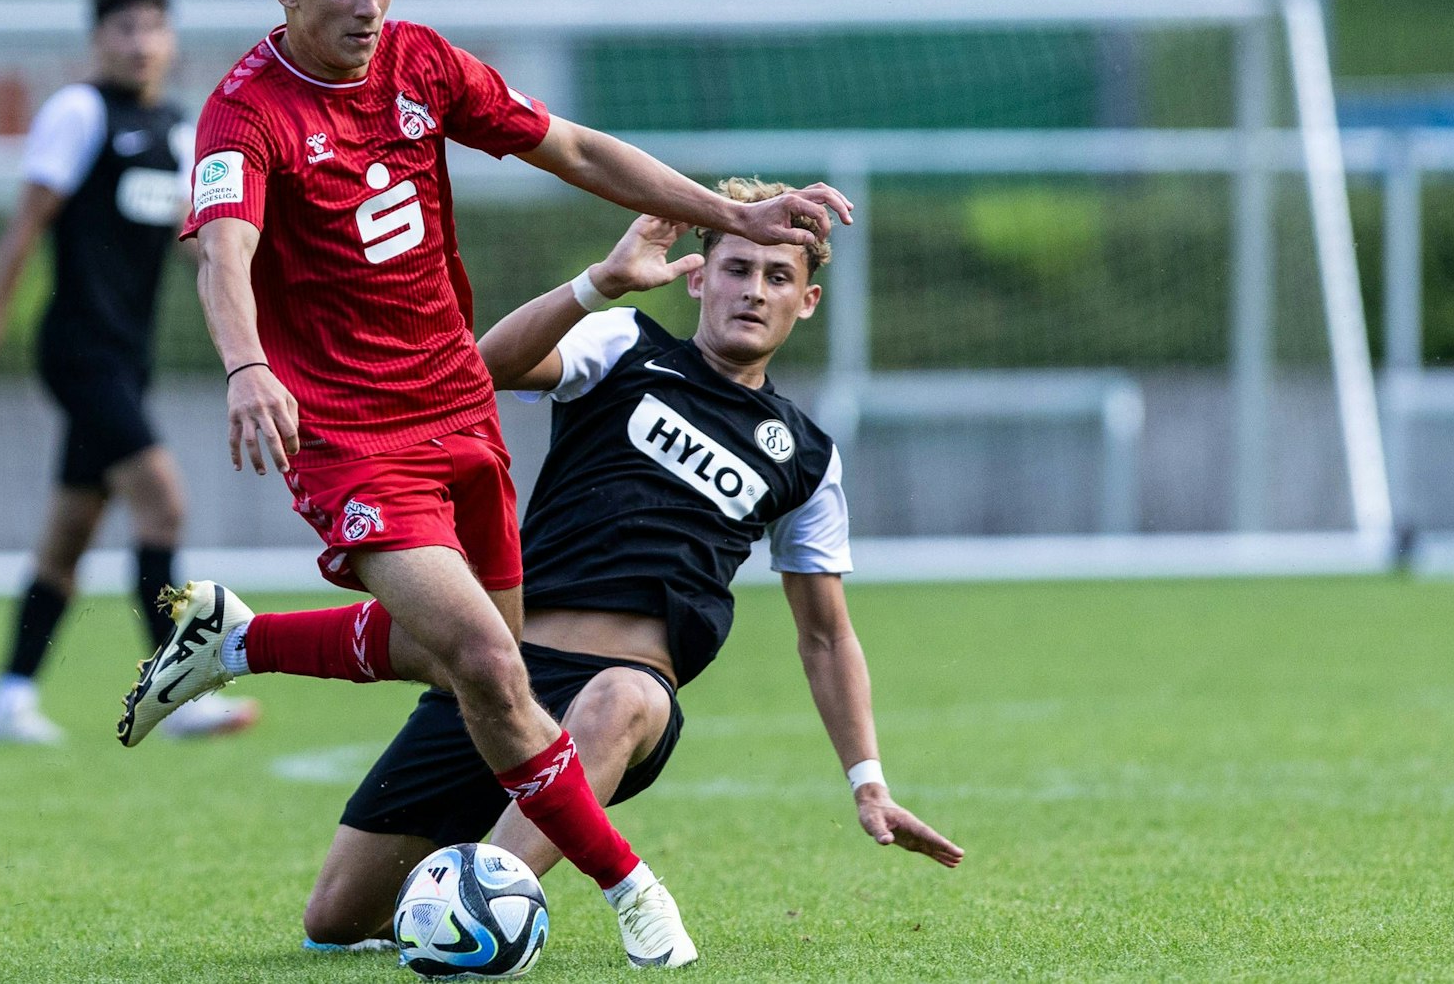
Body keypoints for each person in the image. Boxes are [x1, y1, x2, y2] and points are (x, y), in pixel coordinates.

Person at [114, 0, 848, 969]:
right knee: (491, 665)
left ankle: (238, 637)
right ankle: (634, 892)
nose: (369, 9)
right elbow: (227, 253)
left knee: (481, 661)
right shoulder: (242, 115)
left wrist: (725, 211)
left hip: (455, 404)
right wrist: (244, 366)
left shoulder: (420, 63)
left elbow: (577, 149)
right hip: (352, 436)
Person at [295, 181, 965, 954]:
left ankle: (484, 914)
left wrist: (867, 782)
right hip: (500, 674)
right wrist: (600, 281)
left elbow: (825, 637)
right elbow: (484, 366)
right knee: (334, 921)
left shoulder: (807, 458)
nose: (753, 290)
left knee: (616, 698)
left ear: (806, 300)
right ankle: (456, 886)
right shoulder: (622, 344)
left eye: (776, 278)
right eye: (736, 268)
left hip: (626, 700)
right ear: (697, 277)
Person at [0, 0, 257, 745]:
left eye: (152, 28)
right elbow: (24, 227)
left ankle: (8, 698)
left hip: (126, 357)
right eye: (123, 28)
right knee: (164, 505)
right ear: (98, 39)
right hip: (79, 352)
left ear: (170, 41)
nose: (140, 42)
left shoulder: (179, 130)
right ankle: (177, 693)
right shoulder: (78, 114)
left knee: (68, 537)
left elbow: (198, 245)